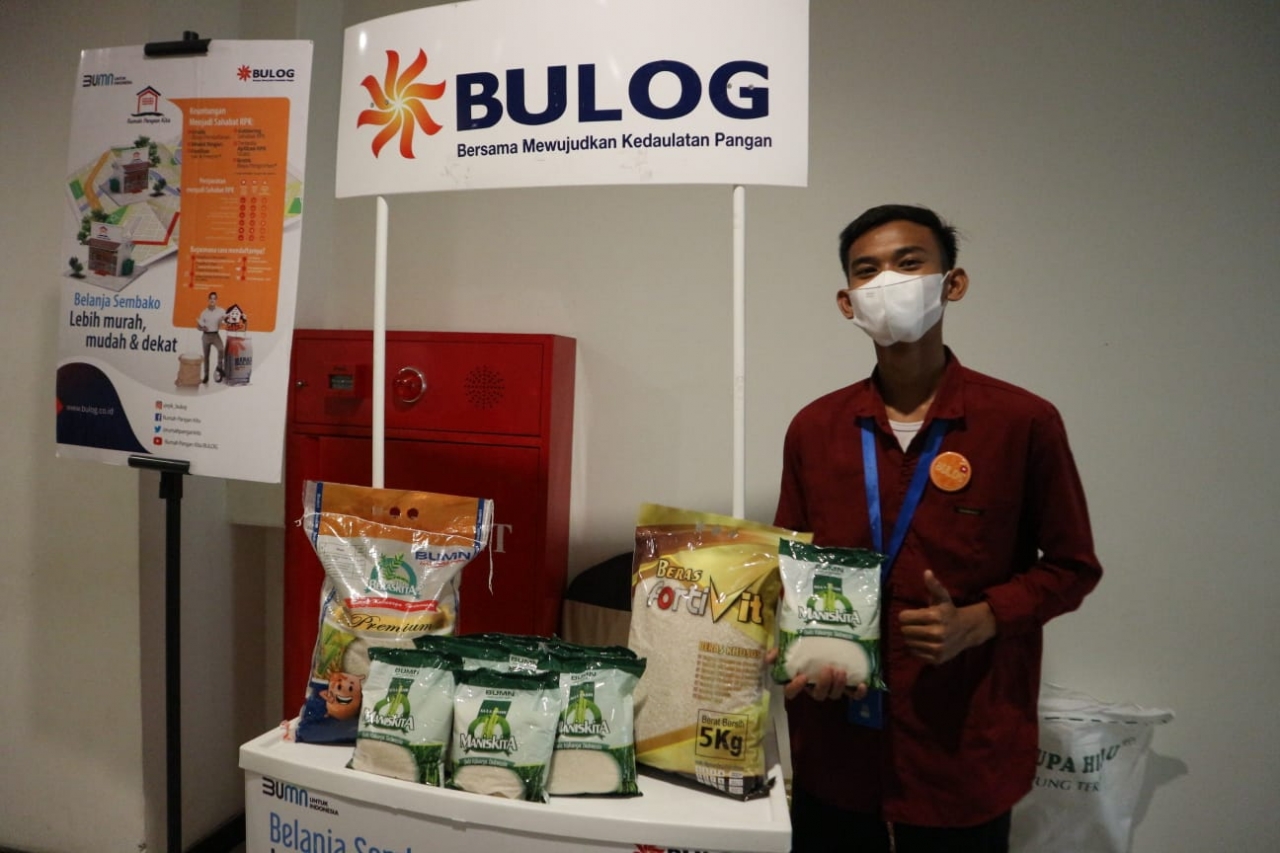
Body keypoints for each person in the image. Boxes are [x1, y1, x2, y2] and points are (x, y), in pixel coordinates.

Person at [773, 204, 1102, 853]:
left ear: (952, 282)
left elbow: (1072, 566)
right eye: (868, 271)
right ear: (847, 302)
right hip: (837, 749)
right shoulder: (815, 428)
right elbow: (793, 563)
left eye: (908, 263)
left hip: (962, 747)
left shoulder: (1021, 422)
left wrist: (983, 618)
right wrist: (800, 645)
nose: (888, 282)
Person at [197, 290, 226, 384]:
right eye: (211, 298)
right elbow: (198, 326)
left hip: (215, 335)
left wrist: (223, 320)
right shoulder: (204, 313)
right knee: (206, 357)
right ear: (208, 300)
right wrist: (202, 328)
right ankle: (206, 376)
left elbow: (226, 319)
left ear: (216, 300)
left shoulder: (221, 311)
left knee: (221, 349)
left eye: (214, 298)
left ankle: (219, 368)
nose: (212, 300)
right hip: (206, 336)